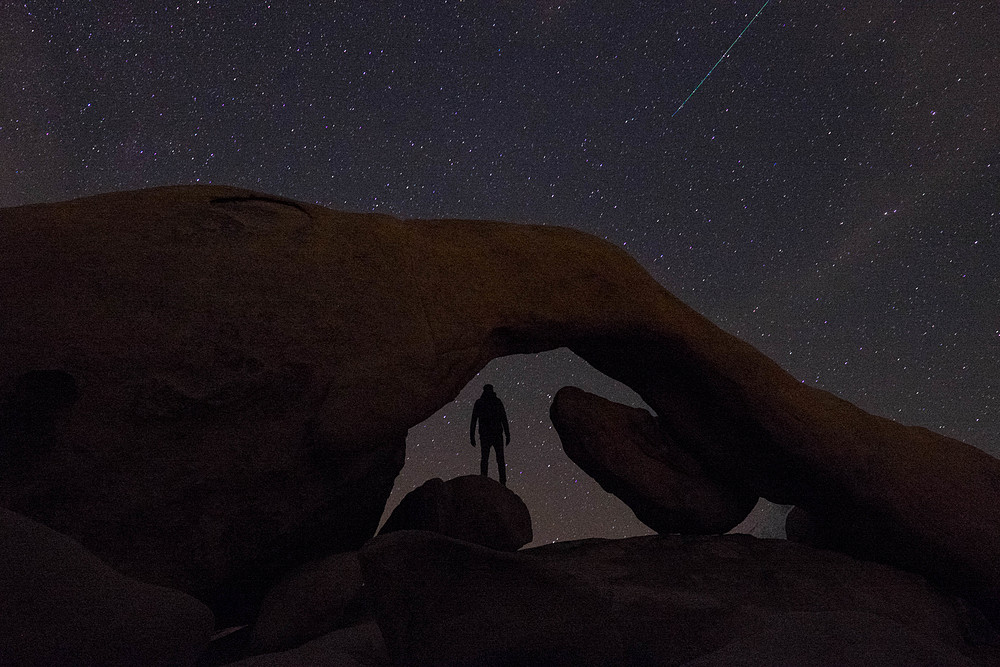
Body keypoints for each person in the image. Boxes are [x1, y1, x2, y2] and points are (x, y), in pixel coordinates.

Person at [469, 384, 510, 486]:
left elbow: (474, 420)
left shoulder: (480, 403)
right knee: (497, 458)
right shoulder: (495, 402)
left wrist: (472, 436)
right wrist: (507, 434)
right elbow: (503, 418)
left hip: (487, 434)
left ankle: (487, 479)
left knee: (488, 458)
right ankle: (501, 482)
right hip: (494, 434)